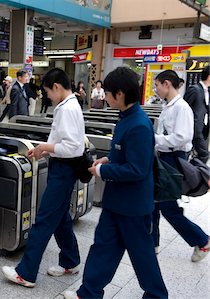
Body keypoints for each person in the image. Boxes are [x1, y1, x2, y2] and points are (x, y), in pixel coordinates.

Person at [62, 67, 168, 299]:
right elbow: (126, 155)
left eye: (107, 93)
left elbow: (138, 169)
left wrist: (102, 170)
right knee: (103, 247)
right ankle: (88, 293)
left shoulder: (139, 124)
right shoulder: (125, 119)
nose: (104, 97)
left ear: (120, 94)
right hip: (115, 202)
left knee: (142, 255)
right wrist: (109, 159)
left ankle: (157, 295)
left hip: (133, 207)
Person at [2, 68, 83, 288]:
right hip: (64, 168)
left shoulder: (66, 109)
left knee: (44, 220)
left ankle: (25, 273)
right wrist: (47, 151)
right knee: (60, 218)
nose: (47, 96)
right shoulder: (69, 105)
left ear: (56, 87)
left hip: (63, 171)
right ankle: (70, 260)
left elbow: (73, 147)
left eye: (47, 91)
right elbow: (67, 142)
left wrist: (45, 146)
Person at [153, 70, 210, 261]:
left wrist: (155, 140)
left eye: (157, 85)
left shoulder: (182, 107)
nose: (156, 89)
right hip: (164, 158)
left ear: (167, 84)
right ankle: (152, 242)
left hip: (174, 160)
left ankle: (202, 240)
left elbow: (182, 137)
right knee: (153, 202)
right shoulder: (168, 106)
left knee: (168, 207)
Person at [184, 65, 210, 163]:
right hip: (194, 128)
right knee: (204, 154)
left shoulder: (206, 91)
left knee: (198, 153)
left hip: (203, 128)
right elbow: (185, 108)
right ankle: (194, 173)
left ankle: (191, 171)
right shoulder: (194, 89)